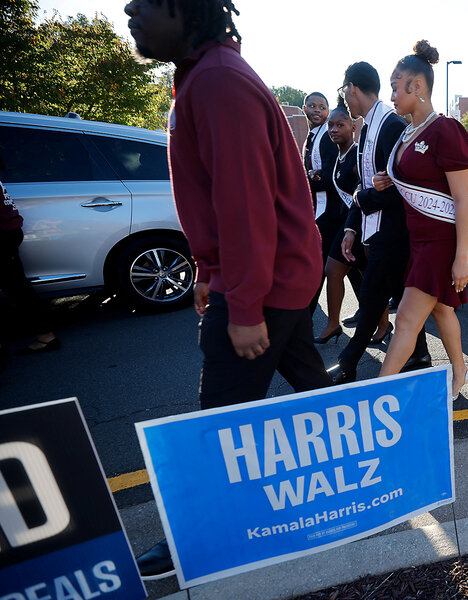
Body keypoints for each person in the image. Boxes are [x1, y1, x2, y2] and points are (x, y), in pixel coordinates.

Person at [124, 0, 331, 578]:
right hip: (272, 276)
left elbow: (244, 207)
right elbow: (214, 195)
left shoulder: (216, 80)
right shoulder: (203, 75)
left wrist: (238, 304)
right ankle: (373, 475)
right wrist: (207, 272)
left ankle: (191, 536)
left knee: (219, 419)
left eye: (146, 0)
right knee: (312, 384)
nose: (129, 8)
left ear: (187, 9)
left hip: (264, 284)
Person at [378, 40, 468, 398]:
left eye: (395, 84)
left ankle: (377, 395)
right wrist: (386, 179)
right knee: (442, 310)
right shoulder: (406, 132)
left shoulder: (445, 130)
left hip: (441, 242)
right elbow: (416, 178)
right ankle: (460, 369)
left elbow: (462, 198)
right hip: (417, 242)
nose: (391, 93)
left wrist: (461, 256)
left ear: (417, 87)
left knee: (405, 320)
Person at [327, 60, 431, 384]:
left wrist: (363, 199)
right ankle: (420, 352)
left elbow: (400, 190)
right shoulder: (369, 127)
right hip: (375, 230)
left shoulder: (390, 126)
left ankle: (348, 362)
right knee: (403, 297)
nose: (344, 99)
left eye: (345, 92)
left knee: (371, 299)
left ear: (352, 89)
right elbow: (367, 185)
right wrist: (351, 227)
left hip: (395, 232)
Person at [315, 104, 369, 344]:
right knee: (333, 272)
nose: (334, 129)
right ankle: (333, 324)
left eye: (340, 125)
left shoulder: (358, 155)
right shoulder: (339, 156)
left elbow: (361, 193)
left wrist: (352, 228)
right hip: (343, 226)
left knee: (370, 281)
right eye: (331, 125)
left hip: (359, 227)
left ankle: (381, 325)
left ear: (352, 126)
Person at [1, 178, 60, 366]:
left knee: (18, 288)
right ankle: (45, 336)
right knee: (17, 286)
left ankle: (46, 336)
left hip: (3, 232)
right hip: (8, 230)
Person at [302, 91, 342, 316]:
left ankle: (305, 317)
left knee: (318, 269)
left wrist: (307, 179)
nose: (317, 110)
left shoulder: (327, 136)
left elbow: (329, 176)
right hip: (318, 212)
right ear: (304, 108)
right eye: (313, 106)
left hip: (329, 213)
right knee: (350, 270)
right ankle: (371, 315)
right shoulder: (311, 136)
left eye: (322, 107)